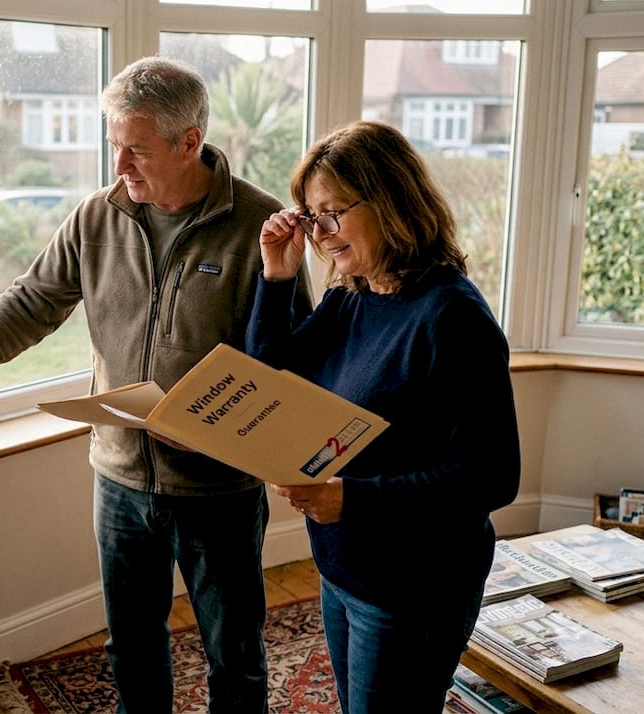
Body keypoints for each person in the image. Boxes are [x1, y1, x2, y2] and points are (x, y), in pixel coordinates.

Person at [0, 56, 312, 713]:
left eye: (135, 150)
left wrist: (215, 433)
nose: (119, 167)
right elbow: (30, 303)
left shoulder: (260, 225)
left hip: (217, 489)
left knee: (236, 655)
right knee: (131, 646)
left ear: (188, 141)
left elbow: (285, 364)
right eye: (114, 146)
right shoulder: (95, 219)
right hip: (120, 481)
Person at [247, 120, 521, 713]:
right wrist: (277, 274)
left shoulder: (452, 319)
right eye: (311, 216)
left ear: (390, 199)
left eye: (331, 214)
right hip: (345, 565)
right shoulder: (356, 295)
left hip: (414, 586)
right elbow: (270, 377)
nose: (320, 233)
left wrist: (352, 498)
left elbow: (493, 478)